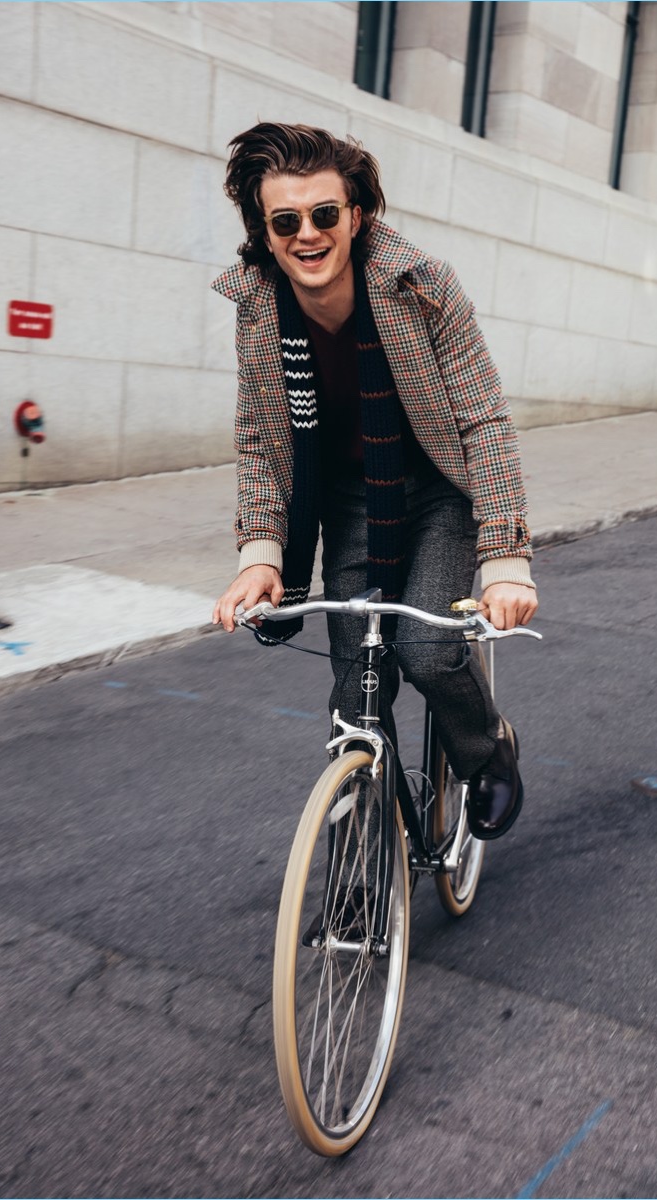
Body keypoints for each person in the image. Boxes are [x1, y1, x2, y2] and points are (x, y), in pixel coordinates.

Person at [211, 122, 538, 840]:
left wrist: (505, 560)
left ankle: (487, 751)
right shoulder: (258, 309)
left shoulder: (421, 286)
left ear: (355, 216)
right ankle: (359, 879)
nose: (308, 234)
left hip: (438, 491)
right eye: (286, 221)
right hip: (350, 501)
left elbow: (483, 421)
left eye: (324, 214)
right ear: (265, 232)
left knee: (424, 652)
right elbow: (261, 439)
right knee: (354, 695)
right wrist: (259, 555)